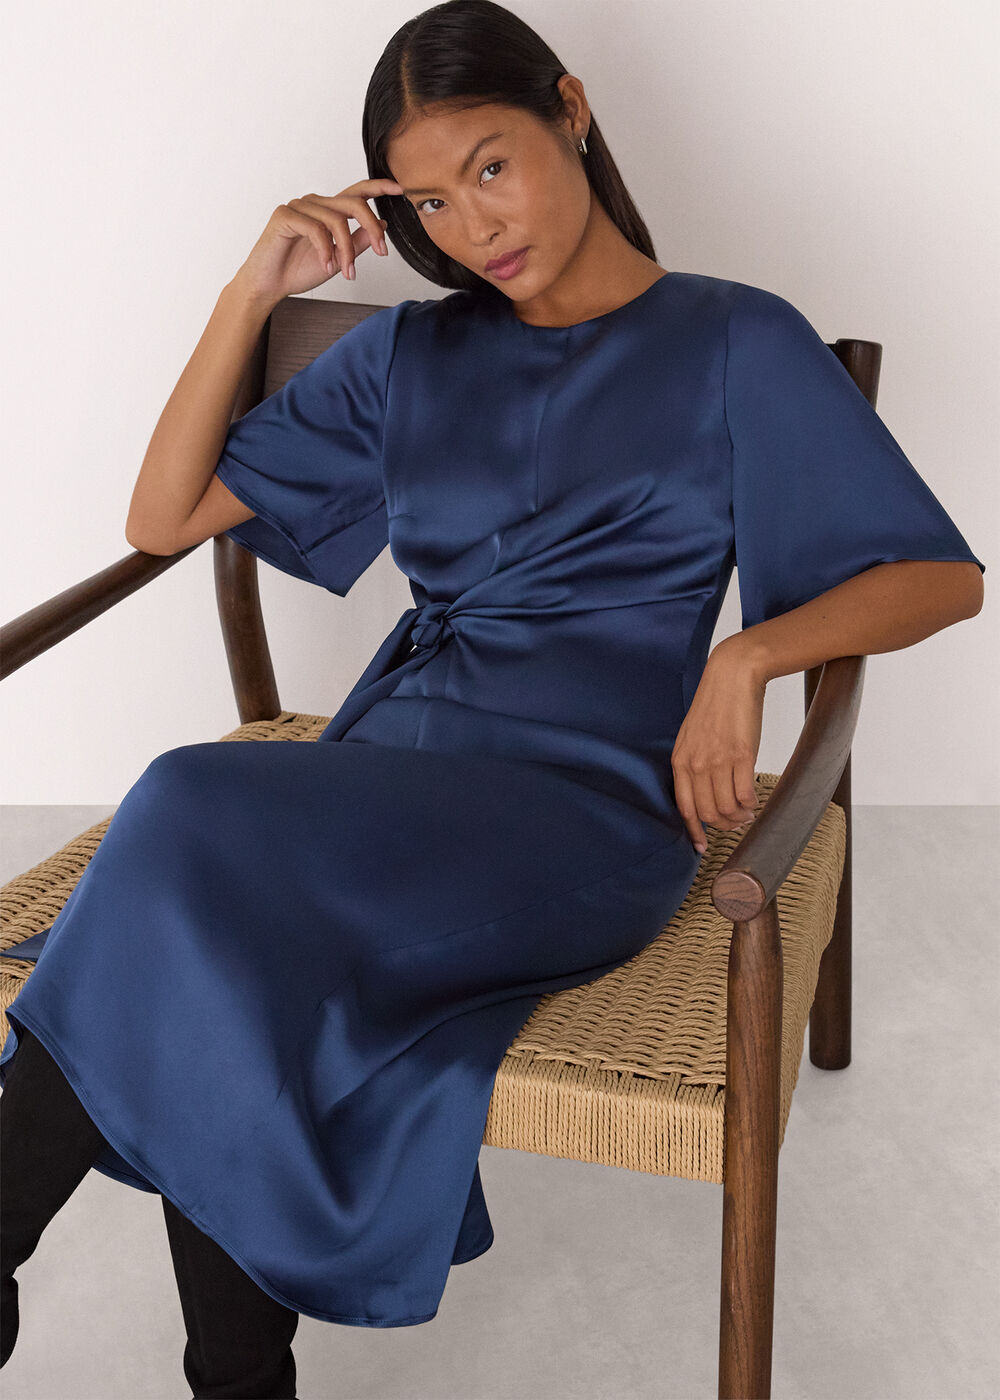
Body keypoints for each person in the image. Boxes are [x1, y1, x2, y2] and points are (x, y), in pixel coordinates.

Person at [0, 1, 986, 1395]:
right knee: (226, 918)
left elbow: (943, 577)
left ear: (571, 111)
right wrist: (250, 291)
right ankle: (235, 1377)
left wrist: (746, 655)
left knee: (189, 813)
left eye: (494, 165)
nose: (476, 226)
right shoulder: (411, 357)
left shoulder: (734, 339)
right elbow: (164, 520)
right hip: (386, 778)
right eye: (434, 200)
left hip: (584, 811)